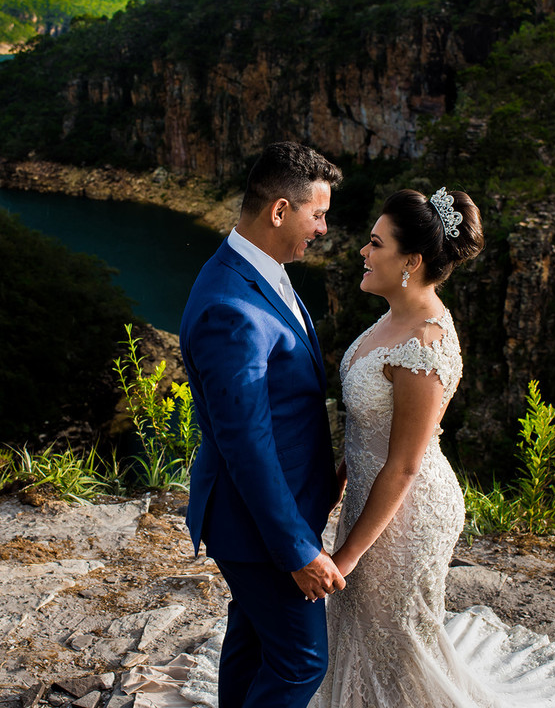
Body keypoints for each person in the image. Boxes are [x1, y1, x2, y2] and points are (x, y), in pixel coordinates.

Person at [312, 188, 555, 708]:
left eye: (375, 243)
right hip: (370, 496)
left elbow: (404, 464)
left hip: (408, 511)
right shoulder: (393, 315)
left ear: (412, 261)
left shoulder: (423, 344)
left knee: (394, 640)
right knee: (357, 626)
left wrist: (347, 557)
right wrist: (340, 477)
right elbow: (373, 426)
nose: (363, 250)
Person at [180, 141, 346, 708]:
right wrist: (297, 550)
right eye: (317, 215)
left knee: (252, 644)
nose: (323, 229)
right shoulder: (232, 308)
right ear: (279, 210)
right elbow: (246, 444)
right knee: (302, 662)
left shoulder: (259, 269)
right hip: (257, 528)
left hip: (280, 509)